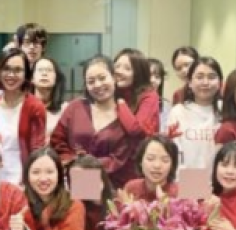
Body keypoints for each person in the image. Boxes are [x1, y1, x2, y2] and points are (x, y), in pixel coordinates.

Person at [50, 55, 147, 187]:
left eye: (102, 78)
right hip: (76, 179)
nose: (97, 85)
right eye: (91, 81)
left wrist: (88, 168)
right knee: (82, 201)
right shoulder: (75, 107)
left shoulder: (125, 115)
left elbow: (121, 158)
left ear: (114, 77)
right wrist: (72, 162)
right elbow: (57, 141)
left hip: (112, 185)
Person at [0, 49, 48, 184]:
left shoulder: (35, 107)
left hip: (21, 181)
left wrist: (29, 184)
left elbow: (37, 151)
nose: (11, 75)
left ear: (26, 74)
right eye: (6, 69)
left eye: (18, 70)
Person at [167, 56, 223, 170]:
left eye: (211, 77)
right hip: (188, 175)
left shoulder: (226, 110)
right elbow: (173, 151)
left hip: (222, 177)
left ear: (220, 82)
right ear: (189, 82)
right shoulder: (178, 112)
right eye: (199, 77)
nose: (205, 82)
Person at [114, 48, 163, 135]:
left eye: (127, 68)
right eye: (117, 66)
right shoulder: (111, 91)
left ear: (138, 74)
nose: (119, 71)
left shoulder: (149, 95)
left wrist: (120, 102)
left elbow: (136, 129)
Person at [120, 136, 181, 202]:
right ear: (140, 161)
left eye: (165, 160)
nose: (157, 165)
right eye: (150, 159)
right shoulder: (131, 188)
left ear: (172, 165)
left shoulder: (179, 193)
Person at [33, 57, 68, 137]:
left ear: (56, 78)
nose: (44, 73)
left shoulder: (65, 109)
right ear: (32, 78)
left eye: (49, 70)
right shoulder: (22, 106)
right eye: (40, 70)